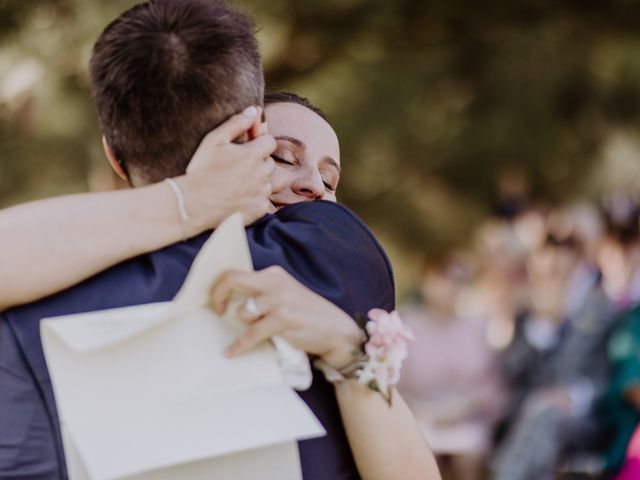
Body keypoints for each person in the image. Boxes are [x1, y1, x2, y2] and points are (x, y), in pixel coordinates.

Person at [0, 1, 438, 479]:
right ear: (248, 136)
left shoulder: (35, 281)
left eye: (330, 183)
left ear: (114, 156)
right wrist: (191, 201)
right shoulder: (325, 259)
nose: (315, 188)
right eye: (285, 157)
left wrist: (350, 354)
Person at [397, 255, 504, 480]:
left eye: (459, 280)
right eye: (444, 279)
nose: (452, 287)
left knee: (467, 460)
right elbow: (394, 381)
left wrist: (465, 407)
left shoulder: (477, 325)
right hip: (418, 417)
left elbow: (491, 384)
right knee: (422, 458)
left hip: (465, 418)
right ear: (425, 280)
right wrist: (423, 411)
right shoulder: (406, 324)